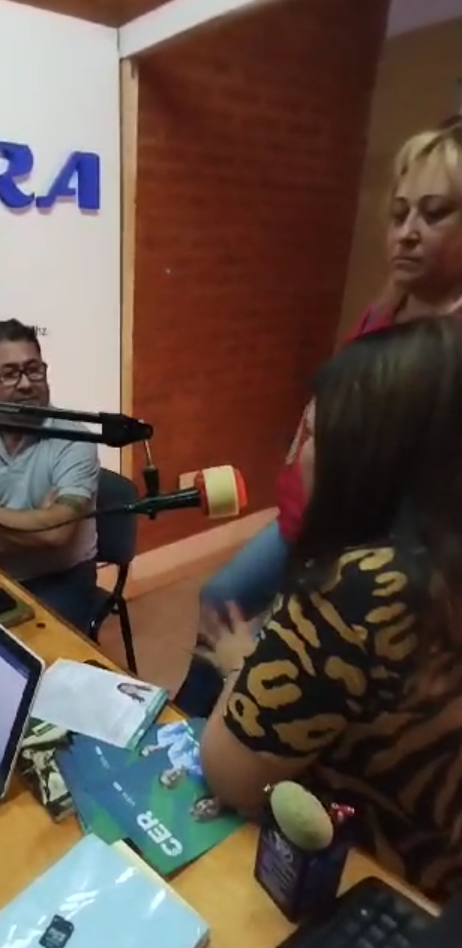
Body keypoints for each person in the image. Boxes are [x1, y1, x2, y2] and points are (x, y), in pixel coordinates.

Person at [175, 117, 462, 719]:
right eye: (399, 214)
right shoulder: (390, 305)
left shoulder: (447, 355)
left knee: (276, 659)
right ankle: (188, 723)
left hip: (357, 550)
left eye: (434, 213)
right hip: (304, 517)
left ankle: (234, 734)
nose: (407, 233)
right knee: (221, 597)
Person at [199, 316, 462, 903]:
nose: (298, 456)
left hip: (388, 894)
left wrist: (240, 663)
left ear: (368, 458)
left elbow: (232, 775)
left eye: (314, 435)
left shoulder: (361, 589)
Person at [0, 319, 99, 630]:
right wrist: (34, 526)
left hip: (59, 578)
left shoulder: (76, 440)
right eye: (10, 374)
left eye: (33, 369)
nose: (26, 384)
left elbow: (55, 534)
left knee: (27, 649)